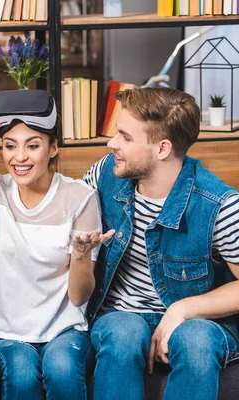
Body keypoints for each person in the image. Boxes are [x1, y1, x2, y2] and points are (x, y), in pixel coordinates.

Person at [0, 90, 114, 400]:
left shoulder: (80, 198)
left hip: (64, 329)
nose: (19, 157)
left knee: (62, 370)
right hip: (5, 334)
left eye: (32, 146)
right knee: (22, 374)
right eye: (9, 146)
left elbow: (79, 297)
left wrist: (80, 256)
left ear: (53, 148)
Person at [83, 87, 239, 400]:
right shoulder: (105, 174)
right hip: (120, 316)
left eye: (126, 137)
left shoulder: (220, 204)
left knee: (196, 340)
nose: (112, 143)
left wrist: (183, 309)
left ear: (162, 148)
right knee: (124, 334)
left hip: (197, 319)